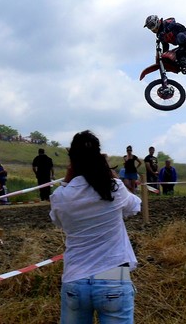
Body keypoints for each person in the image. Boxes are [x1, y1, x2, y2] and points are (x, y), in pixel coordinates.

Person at [50, 130, 141, 323]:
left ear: (71, 160)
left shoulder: (61, 196)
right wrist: (112, 175)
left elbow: (58, 220)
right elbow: (135, 207)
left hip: (75, 277)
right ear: (99, 156)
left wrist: (67, 179)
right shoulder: (114, 188)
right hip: (114, 273)